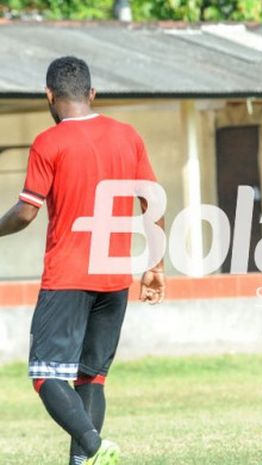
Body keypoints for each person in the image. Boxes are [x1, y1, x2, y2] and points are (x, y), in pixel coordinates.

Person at [0, 56, 165, 465]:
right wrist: (156, 265)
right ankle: (84, 461)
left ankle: (93, 448)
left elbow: (25, 212)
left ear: (49, 96)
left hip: (68, 276)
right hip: (114, 277)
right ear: (92, 94)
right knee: (91, 377)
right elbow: (154, 202)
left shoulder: (49, 141)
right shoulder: (128, 135)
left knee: (45, 375)